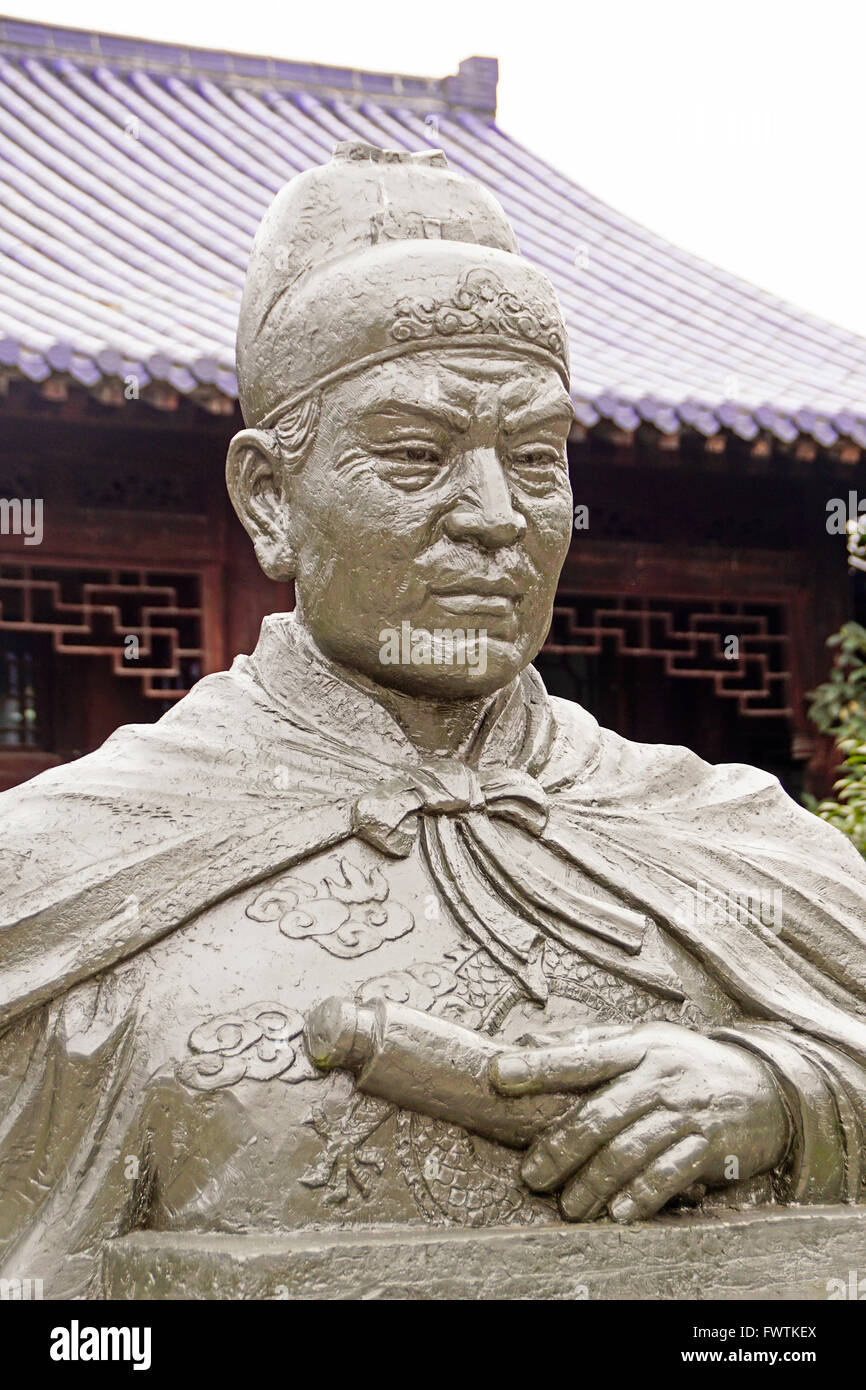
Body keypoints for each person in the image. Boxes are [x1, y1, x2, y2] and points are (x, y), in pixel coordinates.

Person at [1, 143, 864, 1299]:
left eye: (535, 459)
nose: (496, 517)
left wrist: (781, 1091)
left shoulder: (737, 841)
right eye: (414, 455)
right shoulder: (64, 871)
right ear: (270, 499)